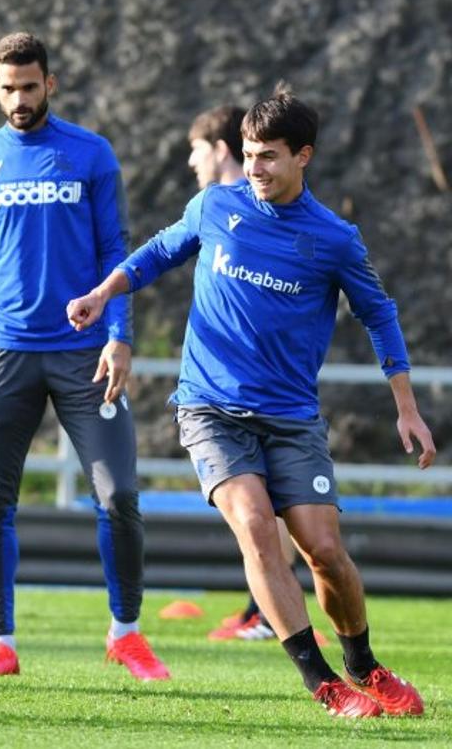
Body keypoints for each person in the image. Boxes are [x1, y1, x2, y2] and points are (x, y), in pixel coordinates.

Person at [67, 91, 432, 718]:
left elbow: (380, 314)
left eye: (269, 157)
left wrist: (406, 406)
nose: (255, 167)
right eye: (249, 155)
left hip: (290, 417)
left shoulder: (335, 239)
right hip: (209, 408)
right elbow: (158, 252)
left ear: (304, 157)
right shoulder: (215, 206)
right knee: (258, 530)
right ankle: (324, 684)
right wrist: (103, 293)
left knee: (324, 550)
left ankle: (363, 663)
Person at [0, 32, 168, 680]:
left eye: (32, 86)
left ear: (50, 84)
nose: (22, 99)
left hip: (86, 356)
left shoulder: (91, 153)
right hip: (3, 357)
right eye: (11, 88)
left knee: (118, 498)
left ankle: (127, 633)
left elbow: (116, 250)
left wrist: (121, 334)